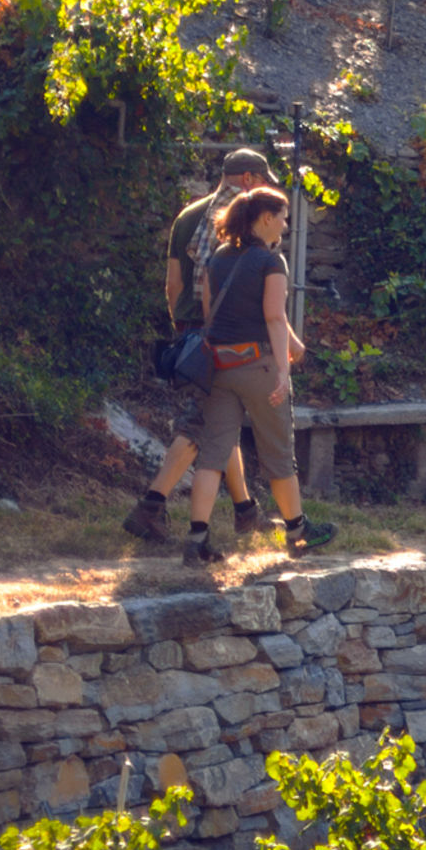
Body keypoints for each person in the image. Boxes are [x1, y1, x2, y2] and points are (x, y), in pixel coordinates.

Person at [126, 148, 272, 543]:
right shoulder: (237, 218)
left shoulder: (188, 216)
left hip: (189, 329)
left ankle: (246, 511)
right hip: (218, 332)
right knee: (199, 424)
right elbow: (222, 281)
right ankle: (149, 508)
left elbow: (173, 284)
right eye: (262, 180)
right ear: (247, 179)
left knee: (221, 417)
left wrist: (183, 329)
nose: (265, 189)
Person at [186, 189, 330, 561]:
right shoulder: (271, 261)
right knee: (279, 452)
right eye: (283, 217)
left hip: (219, 367)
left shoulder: (217, 258)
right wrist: (283, 370)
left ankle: (196, 541)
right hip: (258, 365)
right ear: (265, 218)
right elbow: (274, 317)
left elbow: (211, 315)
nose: (286, 224)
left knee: (212, 455)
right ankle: (297, 531)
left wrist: (291, 343)